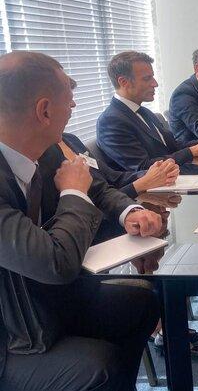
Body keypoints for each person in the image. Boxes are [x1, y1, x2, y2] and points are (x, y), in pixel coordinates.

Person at [0, 51, 161, 390]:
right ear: (44, 111)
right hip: (12, 334)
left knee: (142, 303)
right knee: (98, 367)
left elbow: (98, 188)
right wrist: (73, 192)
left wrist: (132, 212)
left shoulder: (48, 149)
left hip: (46, 301)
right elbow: (56, 263)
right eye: (69, 100)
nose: (74, 107)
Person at [96, 51, 198, 172]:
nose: (155, 84)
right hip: (155, 188)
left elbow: (173, 146)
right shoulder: (111, 121)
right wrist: (195, 150)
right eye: (147, 78)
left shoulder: (144, 112)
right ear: (124, 82)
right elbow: (142, 167)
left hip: (174, 176)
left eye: (153, 77)